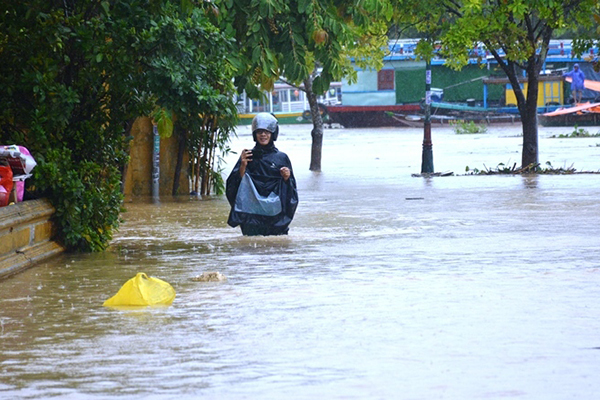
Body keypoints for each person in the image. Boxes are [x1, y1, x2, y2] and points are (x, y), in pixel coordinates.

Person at [226, 113, 298, 236]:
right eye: (260, 132)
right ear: (255, 134)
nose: (263, 135)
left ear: (273, 134)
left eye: (267, 132)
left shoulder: (281, 158)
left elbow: (291, 191)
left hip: (274, 216)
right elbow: (234, 185)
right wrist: (243, 165)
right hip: (252, 216)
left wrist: (286, 178)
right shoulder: (248, 156)